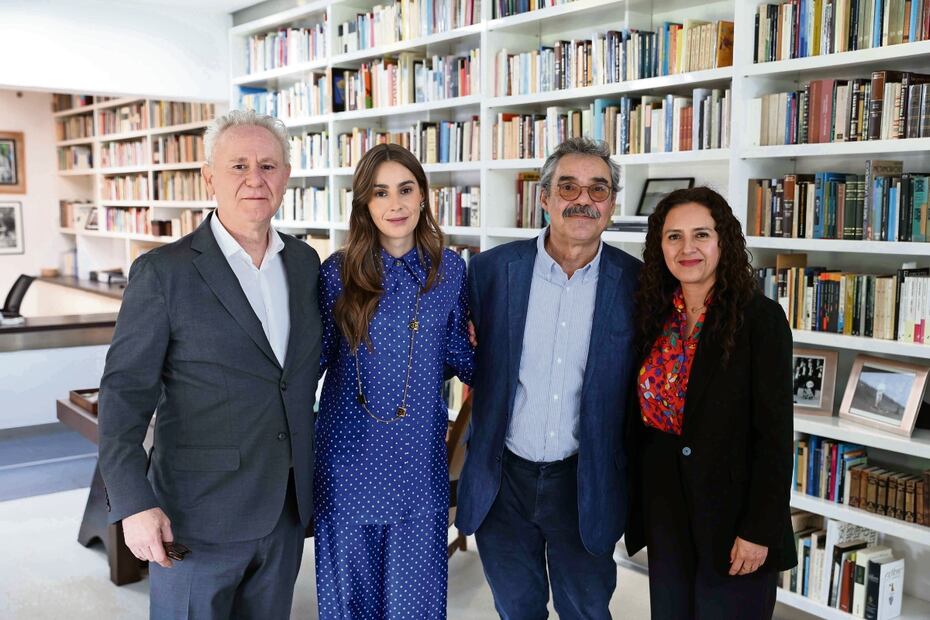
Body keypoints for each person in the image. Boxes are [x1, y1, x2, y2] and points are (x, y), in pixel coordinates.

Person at [98, 109, 322, 619]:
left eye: (268, 165)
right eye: (238, 165)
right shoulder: (163, 272)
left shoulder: (305, 263)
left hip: (286, 510)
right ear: (209, 177)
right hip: (197, 514)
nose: (254, 178)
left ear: (286, 177)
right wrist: (134, 503)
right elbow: (123, 396)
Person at [457, 137, 641, 619]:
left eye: (598, 189)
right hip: (503, 480)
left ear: (611, 204)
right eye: (568, 187)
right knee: (517, 610)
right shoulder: (490, 272)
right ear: (544, 197)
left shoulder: (639, 284)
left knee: (586, 611)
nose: (584, 200)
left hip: (585, 482)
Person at [314, 143, 473, 619]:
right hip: (347, 462)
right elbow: (311, 363)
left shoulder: (450, 270)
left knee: (415, 606)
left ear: (423, 195)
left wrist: (500, 342)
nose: (395, 204)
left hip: (417, 465)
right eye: (380, 193)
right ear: (365, 203)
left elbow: (460, 355)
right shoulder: (337, 273)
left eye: (405, 189)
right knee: (350, 606)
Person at [624, 187, 797, 619]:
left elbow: (775, 437)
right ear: (659, 246)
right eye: (674, 237)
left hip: (733, 517)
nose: (687, 248)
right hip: (666, 512)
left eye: (701, 234)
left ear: (723, 241)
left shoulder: (760, 320)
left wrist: (759, 530)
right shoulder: (653, 315)